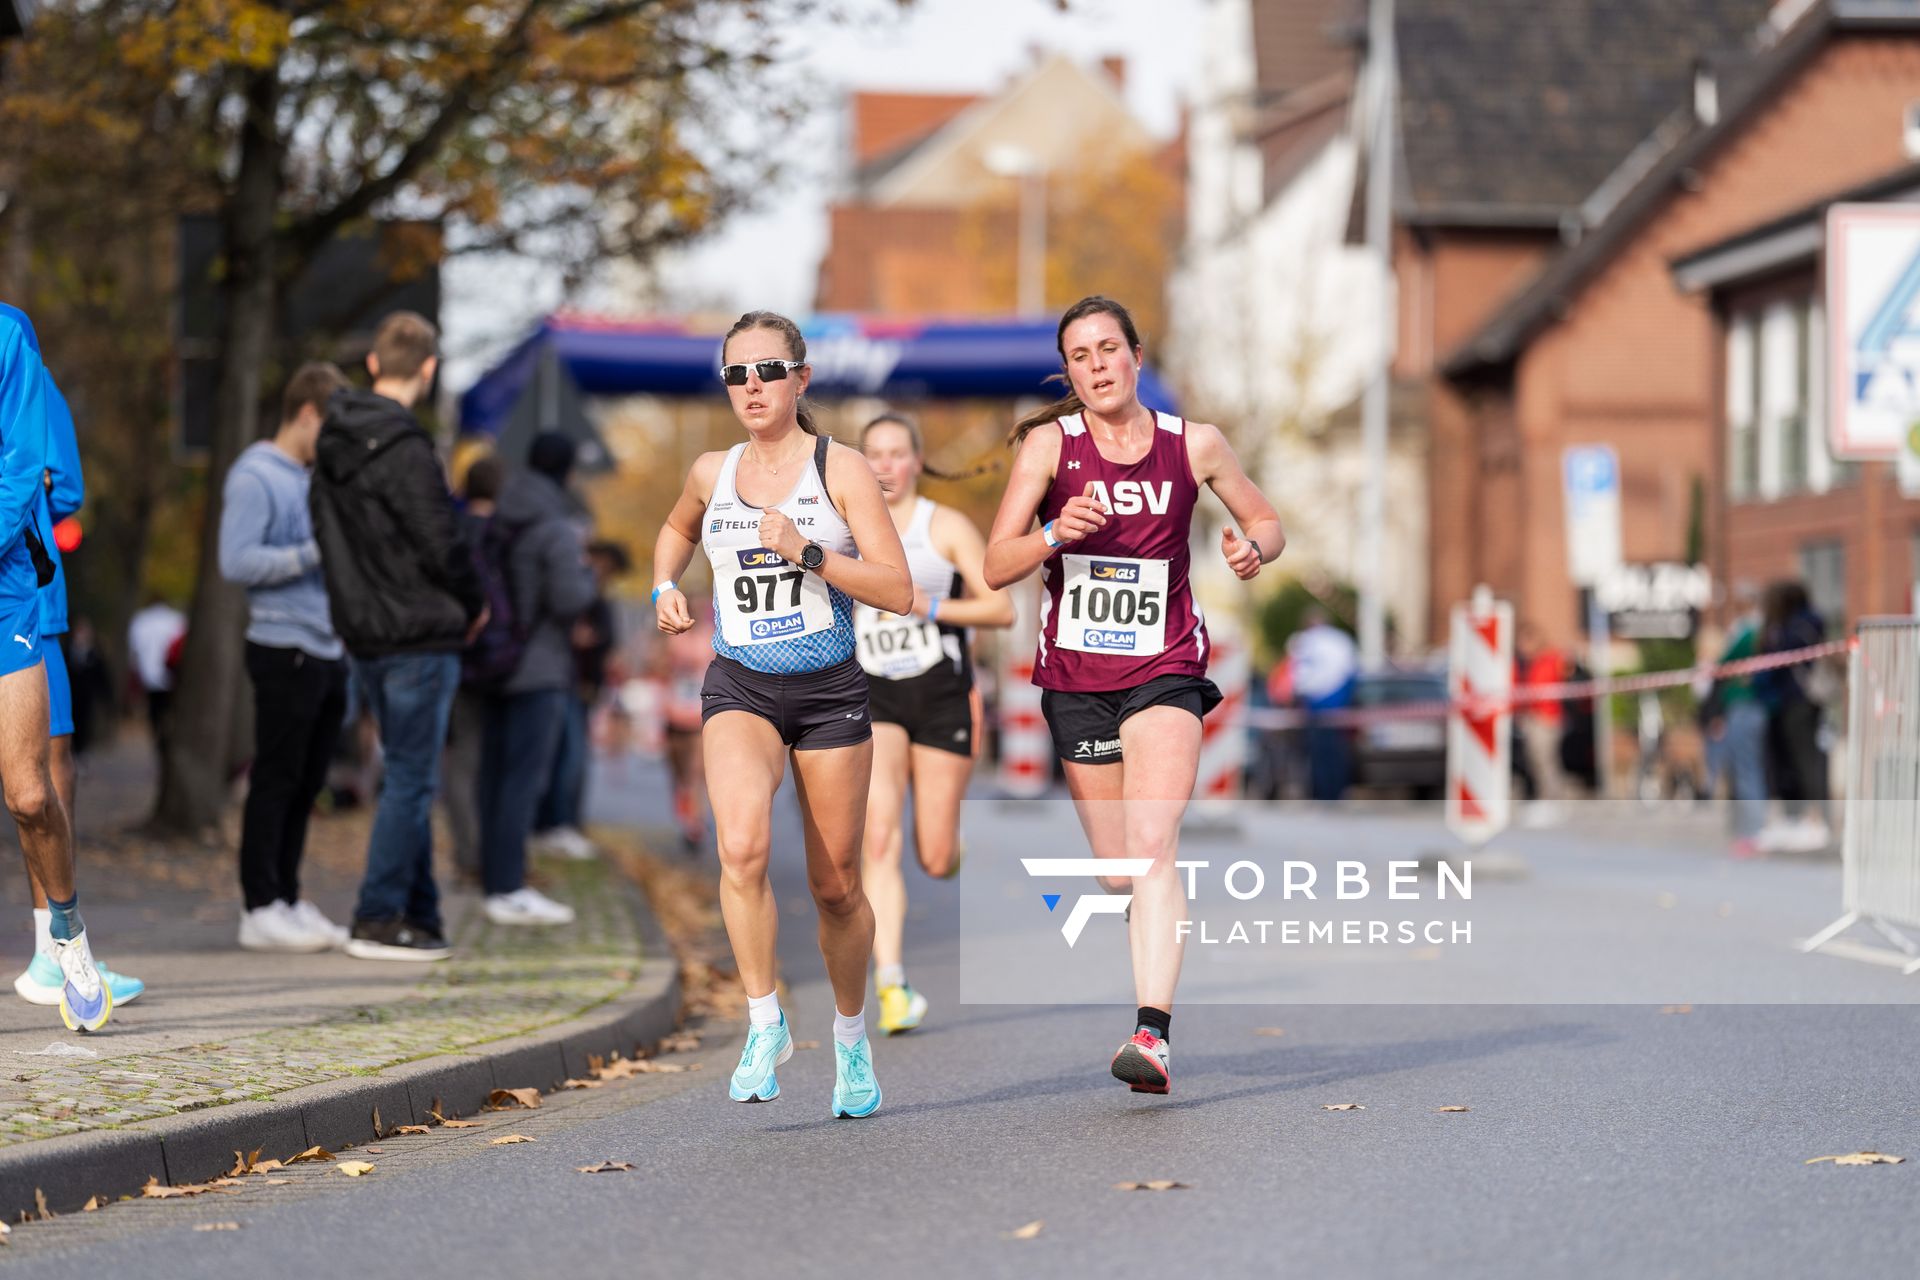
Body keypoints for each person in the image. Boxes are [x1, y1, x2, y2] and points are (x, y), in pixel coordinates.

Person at [983, 295, 1284, 1096]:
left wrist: (1254, 549)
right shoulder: (1050, 447)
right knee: (1120, 873)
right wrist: (1055, 532)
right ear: (1069, 373)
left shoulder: (1195, 443)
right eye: (1080, 356)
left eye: (1108, 349)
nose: (1098, 366)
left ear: (1137, 357)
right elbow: (996, 564)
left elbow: (1267, 519)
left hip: (1165, 666)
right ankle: (1145, 933)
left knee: (1153, 845)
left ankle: (1153, 1034)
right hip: (1077, 681)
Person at [651, 310, 911, 1116]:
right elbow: (676, 529)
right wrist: (663, 585)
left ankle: (850, 1036)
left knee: (837, 888)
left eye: (768, 370)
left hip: (830, 693)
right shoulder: (712, 471)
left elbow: (899, 589)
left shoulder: (842, 469)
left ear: (801, 378)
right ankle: (765, 1022)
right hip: (742, 687)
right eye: (737, 374)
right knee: (740, 847)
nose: (752, 386)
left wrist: (809, 552)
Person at [310, 311, 486, 962]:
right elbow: (442, 541)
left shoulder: (330, 446)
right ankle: (378, 916)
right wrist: (474, 602)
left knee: (407, 776)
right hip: (418, 631)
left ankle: (421, 915)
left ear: (374, 363)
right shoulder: (409, 449)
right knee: (410, 779)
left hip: (364, 631)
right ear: (430, 369)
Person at [851, 412, 1013, 1035]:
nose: (886, 465)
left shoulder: (942, 526)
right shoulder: (845, 527)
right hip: (874, 693)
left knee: (935, 856)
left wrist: (929, 604)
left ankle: (950, 845)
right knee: (879, 839)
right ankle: (891, 983)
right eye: (874, 453)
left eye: (897, 453)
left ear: (917, 461)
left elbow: (1000, 609)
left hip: (943, 694)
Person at [5, 304, 140, 1020]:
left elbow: (50, 478)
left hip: (18, 598)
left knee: (37, 785)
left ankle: (60, 941)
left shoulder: (13, 343)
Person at [219, 361, 354, 952]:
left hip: (325, 646)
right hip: (282, 646)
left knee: (307, 783)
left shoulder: (311, 477)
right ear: (305, 414)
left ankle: (287, 897)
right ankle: (259, 906)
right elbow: (236, 560)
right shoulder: (256, 474)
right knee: (276, 779)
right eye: (330, 429)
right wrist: (311, 553)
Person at [473, 433, 595, 926]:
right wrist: (587, 576)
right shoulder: (554, 525)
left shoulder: (503, 514)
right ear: (566, 471)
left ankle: (492, 879)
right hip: (538, 666)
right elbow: (568, 599)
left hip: (492, 660)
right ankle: (508, 888)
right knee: (523, 780)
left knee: (493, 776)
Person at [532, 537, 630, 860]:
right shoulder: (575, 592)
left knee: (572, 759)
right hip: (566, 684)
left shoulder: (598, 598)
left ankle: (564, 823)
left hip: (584, 687)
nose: (604, 574)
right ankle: (557, 824)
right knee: (568, 758)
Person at [443, 452, 505, 886]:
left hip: (456, 655)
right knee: (488, 763)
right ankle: (485, 857)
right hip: (501, 662)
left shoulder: (451, 531)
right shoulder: (506, 535)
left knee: (461, 761)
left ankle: (468, 854)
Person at [1753, 580, 1831, 853]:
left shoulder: (1798, 626)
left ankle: (1816, 822)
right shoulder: (1791, 624)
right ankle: (1797, 820)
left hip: (1800, 702)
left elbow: (1780, 659)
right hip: (1788, 703)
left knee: (1805, 762)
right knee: (1789, 764)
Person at [656, 596, 713, 851]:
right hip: (674, 713)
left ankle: (695, 823)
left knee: (696, 771)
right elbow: (656, 665)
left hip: (700, 714)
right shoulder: (670, 635)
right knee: (679, 772)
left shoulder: (712, 636)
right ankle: (685, 814)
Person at [1287, 607, 1358, 801]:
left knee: (1319, 754)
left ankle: (1322, 794)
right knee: (1337, 753)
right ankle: (1337, 793)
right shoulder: (1342, 640)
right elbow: (1352, 674)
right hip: (1338, 707)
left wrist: (1298, 699)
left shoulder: (1304, 641)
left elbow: (1300, 678)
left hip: (1316, 707)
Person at [127, 594, 185, 764]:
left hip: (149, 677)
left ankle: (159, 739)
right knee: (168, 710)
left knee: (155, 711)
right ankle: (166, 740)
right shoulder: (176, 619)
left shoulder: (141, 621)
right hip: (171, 677)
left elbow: (134, 651)